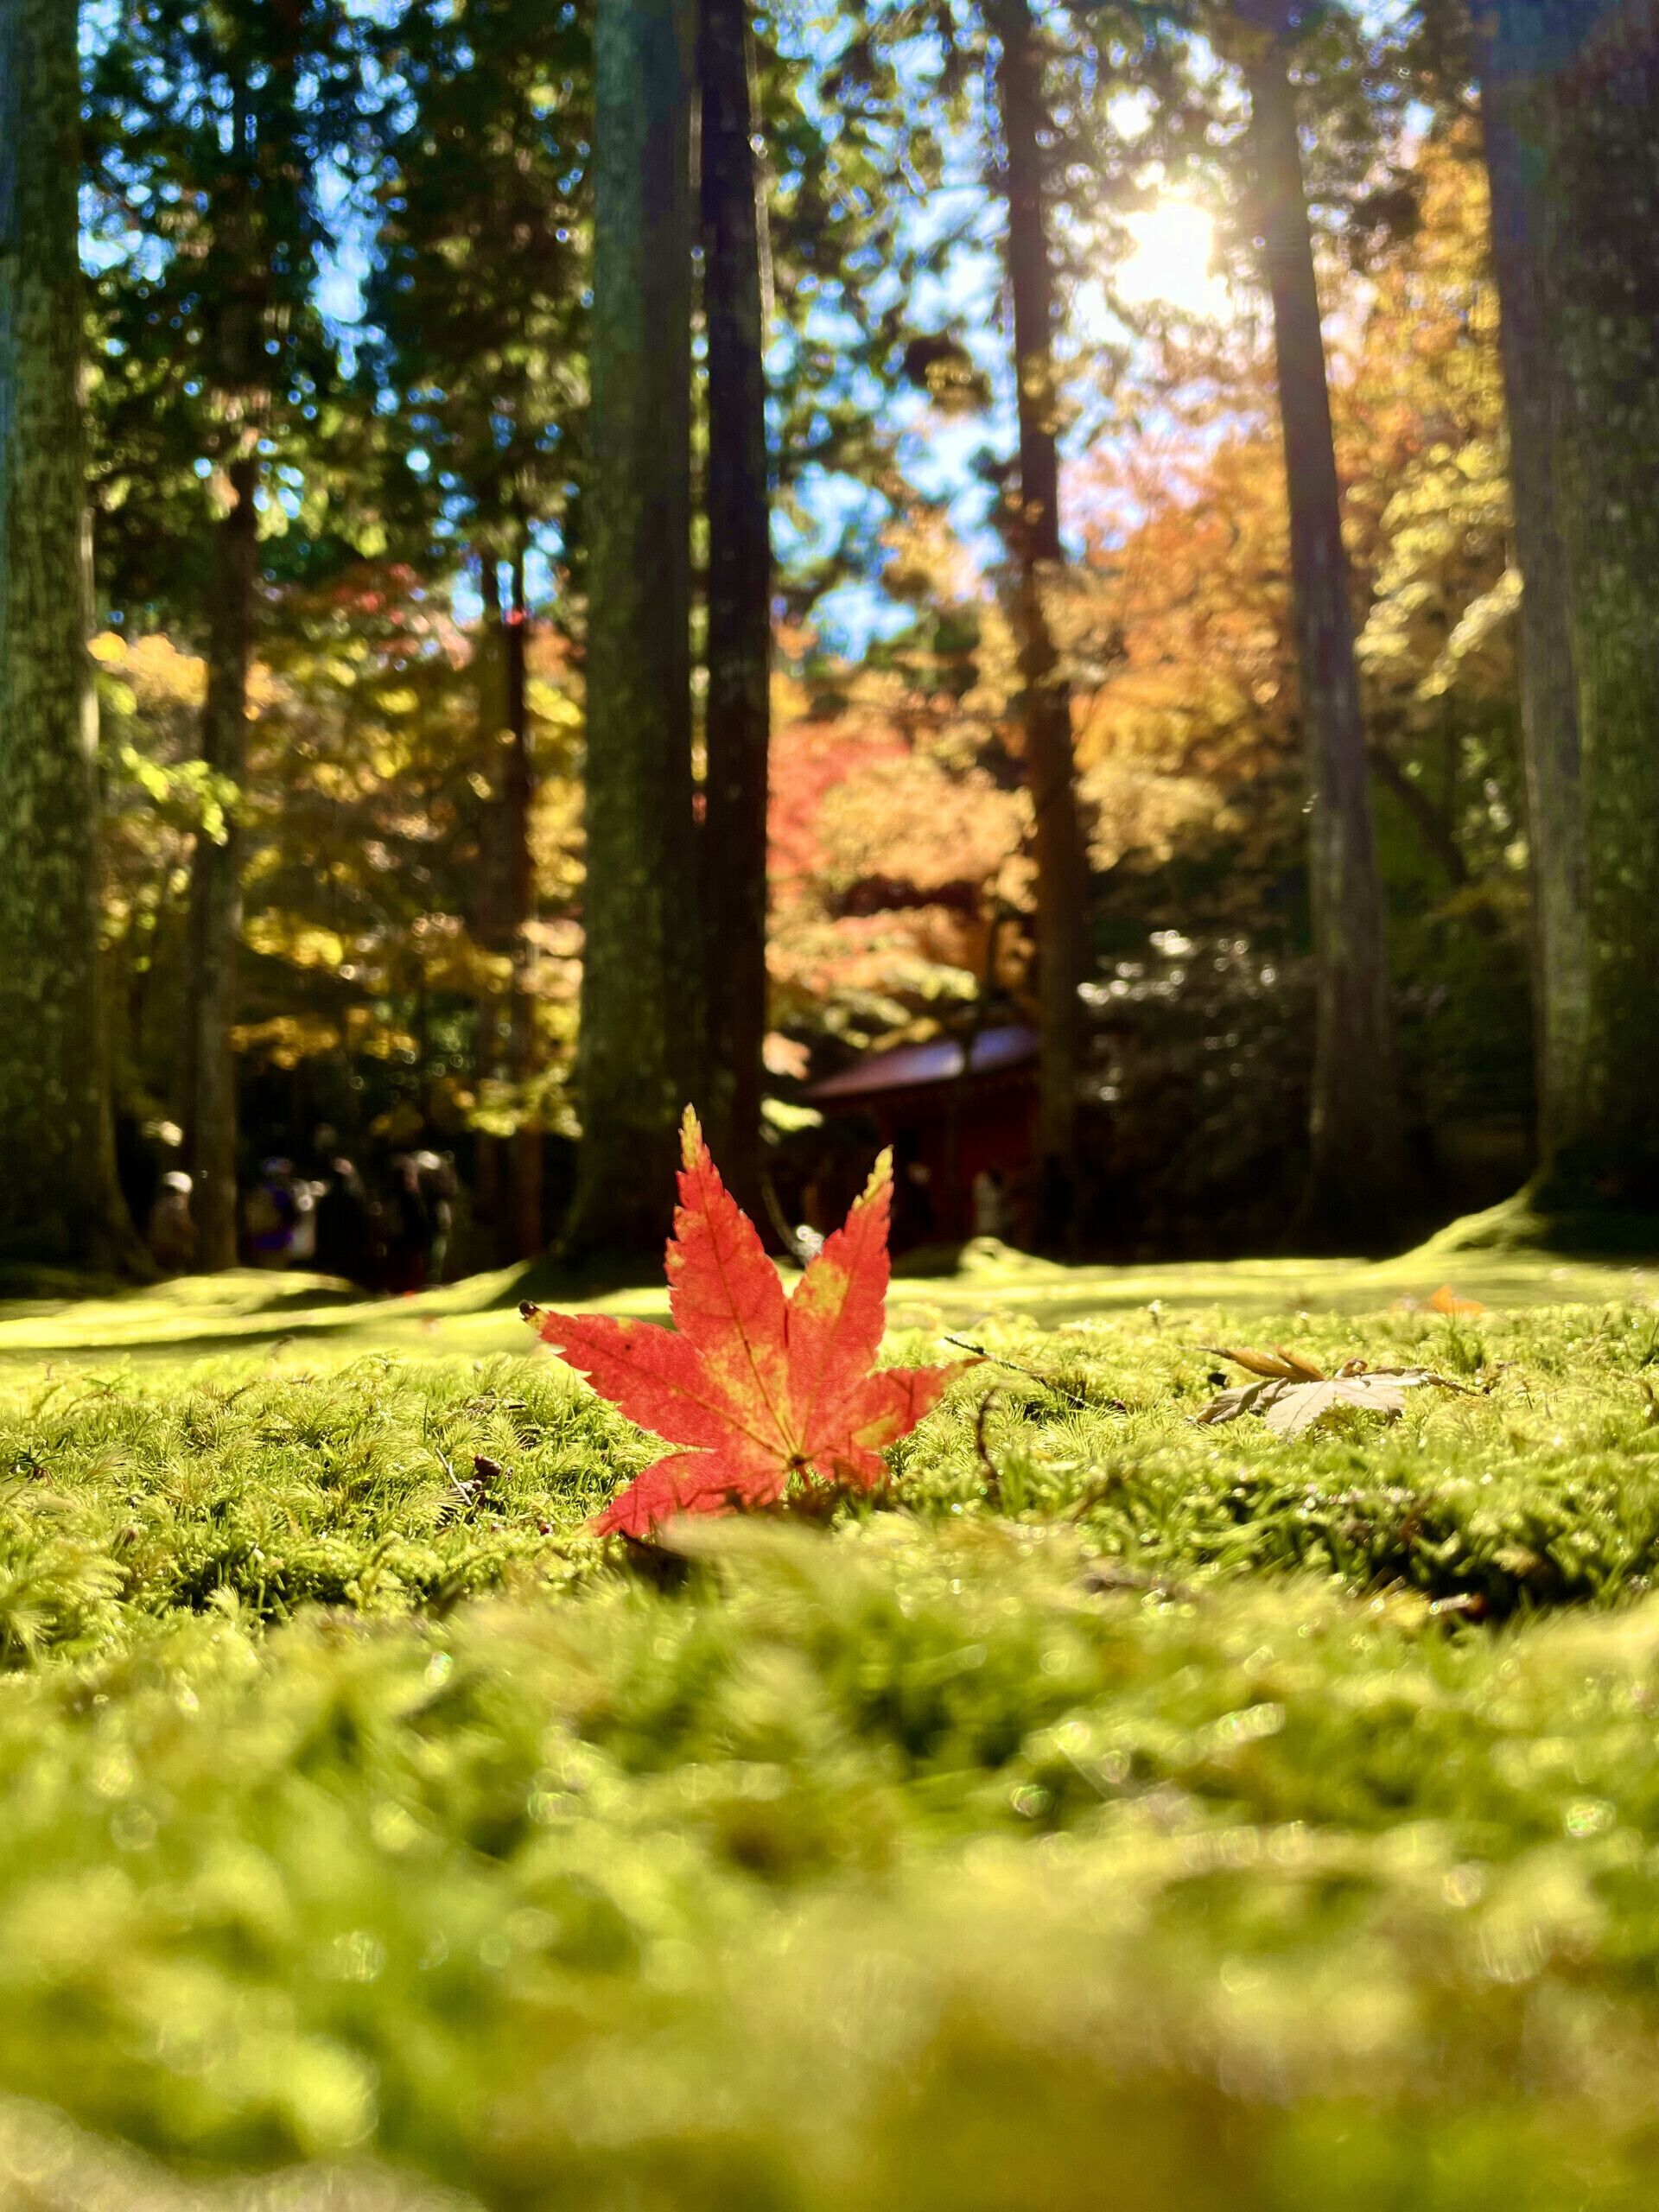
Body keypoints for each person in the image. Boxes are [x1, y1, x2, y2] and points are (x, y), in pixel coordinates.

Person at [315, 1159, 377, 1285]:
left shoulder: (326, 1200)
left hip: (334, 1245)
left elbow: (321, 1227)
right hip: (348, 1245)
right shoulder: (353, 1199)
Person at [245, 1160, 298, 1268]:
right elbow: (291, 1216)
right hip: (276, 1240)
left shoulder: (258, 1192)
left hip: (261, 1240)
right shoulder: (280, 1194)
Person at [145, 1171, 197, 1275]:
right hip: (172, 1248)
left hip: (156, 1246)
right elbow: (182, 1225)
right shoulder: (177, 1204)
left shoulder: (159, 1205)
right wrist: (194, 1232)